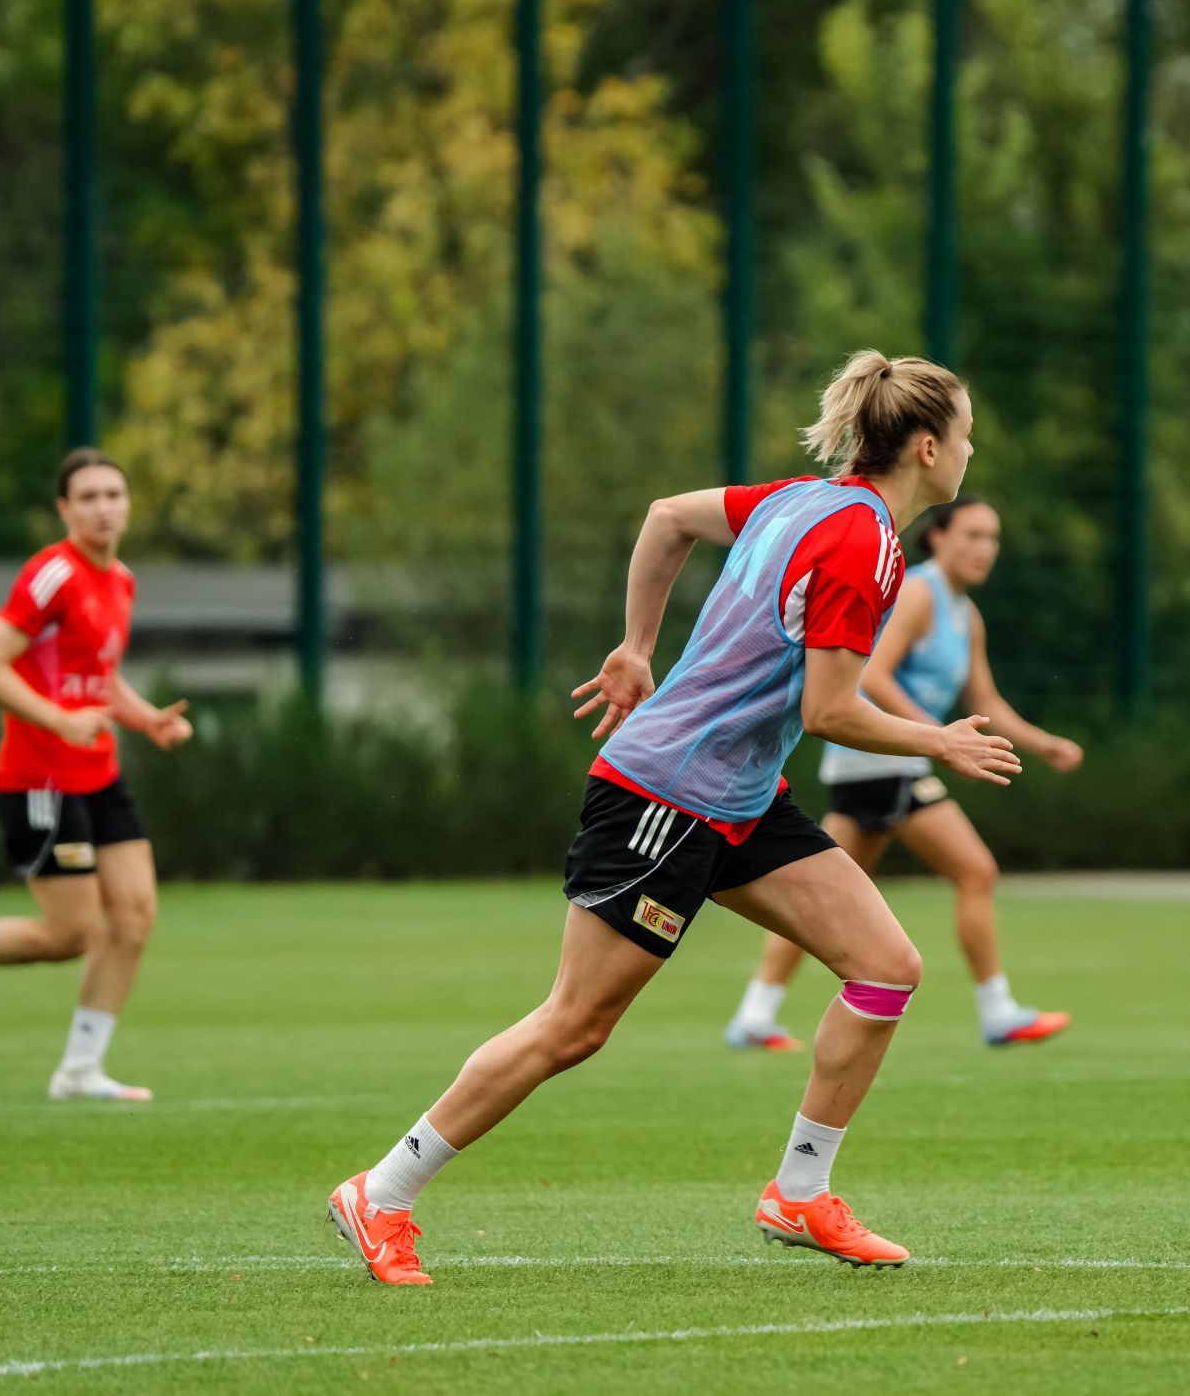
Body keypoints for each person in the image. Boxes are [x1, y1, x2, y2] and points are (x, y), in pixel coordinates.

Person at [326, 351, 1020, 1286]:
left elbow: (667, 519)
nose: (972, 450)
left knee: (887, 966)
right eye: (967, 434)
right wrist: (939, 742)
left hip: (738, 800)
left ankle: (799, 1191)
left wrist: (637, 646)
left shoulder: (796, 500)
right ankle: (382, 1191)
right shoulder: (865, 543)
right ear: (929, 446)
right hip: (663, 799)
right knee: (574, 1025)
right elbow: (829, 711)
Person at [0, 448, 194, 1101]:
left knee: (133, 916)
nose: (104, 507)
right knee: (70, 934)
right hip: (39, 779)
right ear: (64, 508)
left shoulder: (120, 580)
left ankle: (79, 1069)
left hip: (97, 772)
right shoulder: (52, 575)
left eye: (114, 494)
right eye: (89, 497)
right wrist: (57, 718)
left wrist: (145, 718)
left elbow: (98, 674)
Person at [725, 495, 1082, 1053]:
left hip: (890, 759)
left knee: (819, 897)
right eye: (972, 535)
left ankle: (754, 1014)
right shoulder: (919, 592)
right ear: (937, 537)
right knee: (975, 870)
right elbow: (874, 675)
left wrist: (1044, 744)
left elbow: (985, 697)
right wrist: (939, 741)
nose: (984, 549)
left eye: (992, 539)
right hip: (882, 759)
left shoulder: (967, 614)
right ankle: (997, 1011)